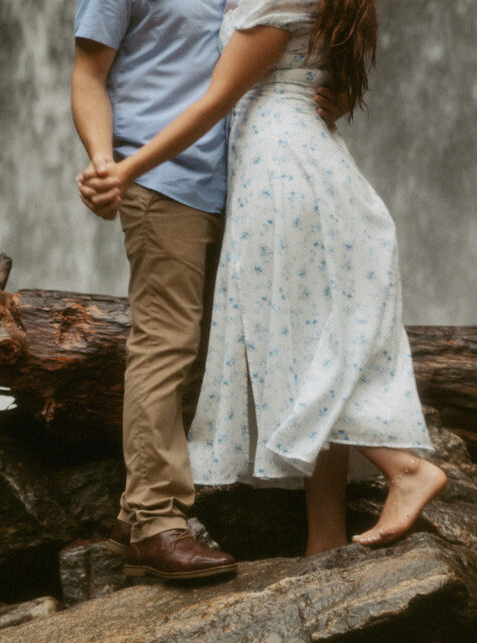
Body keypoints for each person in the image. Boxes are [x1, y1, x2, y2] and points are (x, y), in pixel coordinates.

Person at [81, 0, 448, 557]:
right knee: (303, 337)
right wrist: (112, 163)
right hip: (259, 169)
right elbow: (92, 70)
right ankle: (317, 537)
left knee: (302, 343)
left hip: (272, 172)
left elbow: (221, 96)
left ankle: (405, 470)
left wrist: (122, 171)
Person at [70, 0, 347, 578]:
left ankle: (134, 511)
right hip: (158, 178)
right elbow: (88, 73)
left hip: (245, 181)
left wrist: (329, 93)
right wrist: (104, 162)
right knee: (166, 340)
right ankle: (156, 522)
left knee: (200, 351)